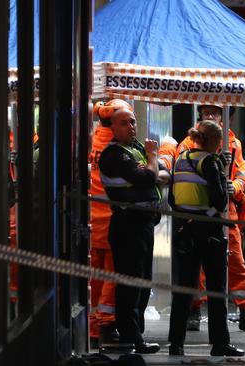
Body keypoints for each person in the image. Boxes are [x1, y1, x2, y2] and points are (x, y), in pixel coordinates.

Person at [162, 104, 245, 332]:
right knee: (198, 271)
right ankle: (195, 310)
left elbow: (242, 173)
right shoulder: (187, 144)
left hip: (225, 212)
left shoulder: (233, 143)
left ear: (223, 116)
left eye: (215, 112)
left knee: (236, 263)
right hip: (199, 214)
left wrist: (236, 187)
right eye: (207, 112)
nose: (211, 115)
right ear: (200, 115)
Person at [167, 121, 245, 357]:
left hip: (185, 230)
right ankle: (220, 343)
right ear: (213, 141)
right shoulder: (210, 162)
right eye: (219, 141)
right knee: (216, 290)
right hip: (209, 231)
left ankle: (176, 343)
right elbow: (221, 201)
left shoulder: (180, 159)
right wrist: (222, 173)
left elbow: (171, 198)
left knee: (183, 289)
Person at [98, 108, 162, 354]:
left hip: (143, 225)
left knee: (143, 281)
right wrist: (153, 158)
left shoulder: (134, 150)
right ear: (112, 128)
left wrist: (152, 169)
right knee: (131, 284)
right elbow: (147, 178)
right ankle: (130, 337)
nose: (131, 127)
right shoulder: (114, 154)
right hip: (128, 225)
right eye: (124, 123)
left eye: (133, 122)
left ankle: (137, 335)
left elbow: (156, 175)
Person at [89, 99, 132, 347]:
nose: (130, 126)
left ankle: (94, 328)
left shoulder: (94, 140)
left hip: (93, 221)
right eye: (126, 121)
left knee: (95, 279)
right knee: (112, 277)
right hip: (114, 221)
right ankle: (106, 324)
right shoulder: (117, 147)